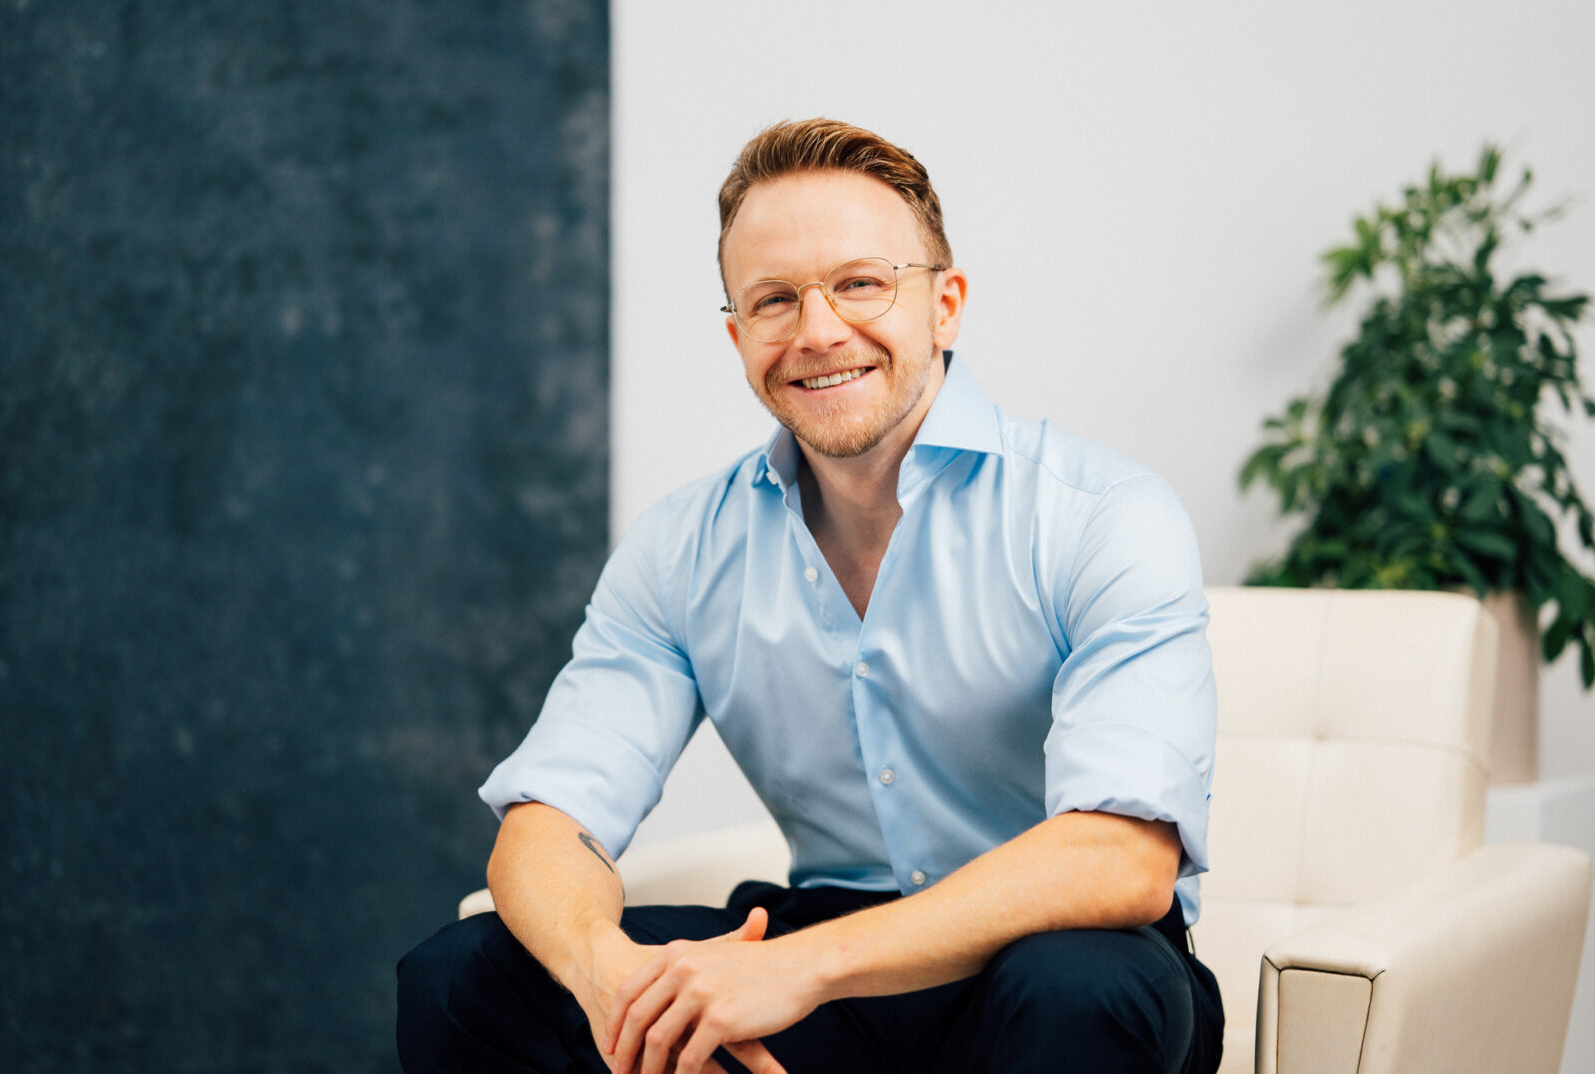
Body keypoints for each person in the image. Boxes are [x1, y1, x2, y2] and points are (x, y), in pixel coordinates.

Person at [398, 118, 1223, 1074]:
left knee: (1080, 990)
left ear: (945, 305)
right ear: (738, 334)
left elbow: (1124, 859)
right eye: (775, 299)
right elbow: (549, 820)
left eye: (861, 283)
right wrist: (612, 984)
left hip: (1054, 957)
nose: (819, 331)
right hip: (831, 974)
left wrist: (802, 969)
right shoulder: (683, 547)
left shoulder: (1101, 514)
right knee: (460, 978)